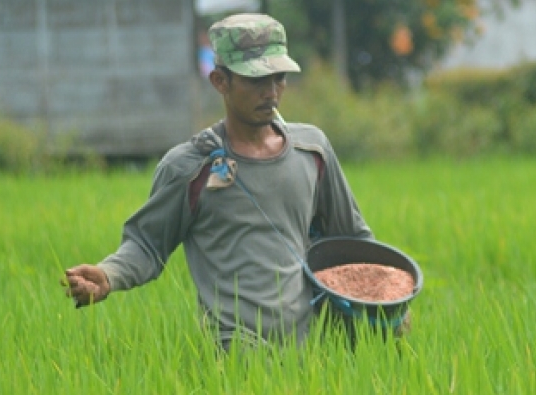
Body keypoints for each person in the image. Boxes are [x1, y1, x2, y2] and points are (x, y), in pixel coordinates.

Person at [61, 13, 374, 351]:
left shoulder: (311, 151)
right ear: (220, 81)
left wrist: (388, 303)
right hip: (237, 352)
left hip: (313, 350)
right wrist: (109, 275)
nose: (271, 92)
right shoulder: (190, 166)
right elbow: (147, 243)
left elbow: (352, 238)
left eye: (278, 78)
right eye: (256, 80)